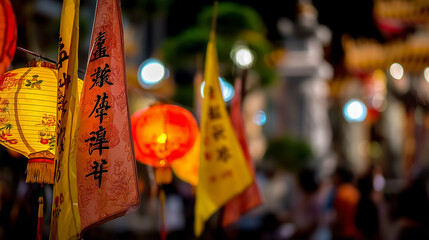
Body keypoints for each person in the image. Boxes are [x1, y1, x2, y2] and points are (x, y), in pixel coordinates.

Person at [330, 167, 361, 240]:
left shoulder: (340, 193)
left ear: (340, 177)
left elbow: (339, 217)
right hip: (354, 232)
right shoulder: (355, 192)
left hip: (342, 233)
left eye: (335, 176)